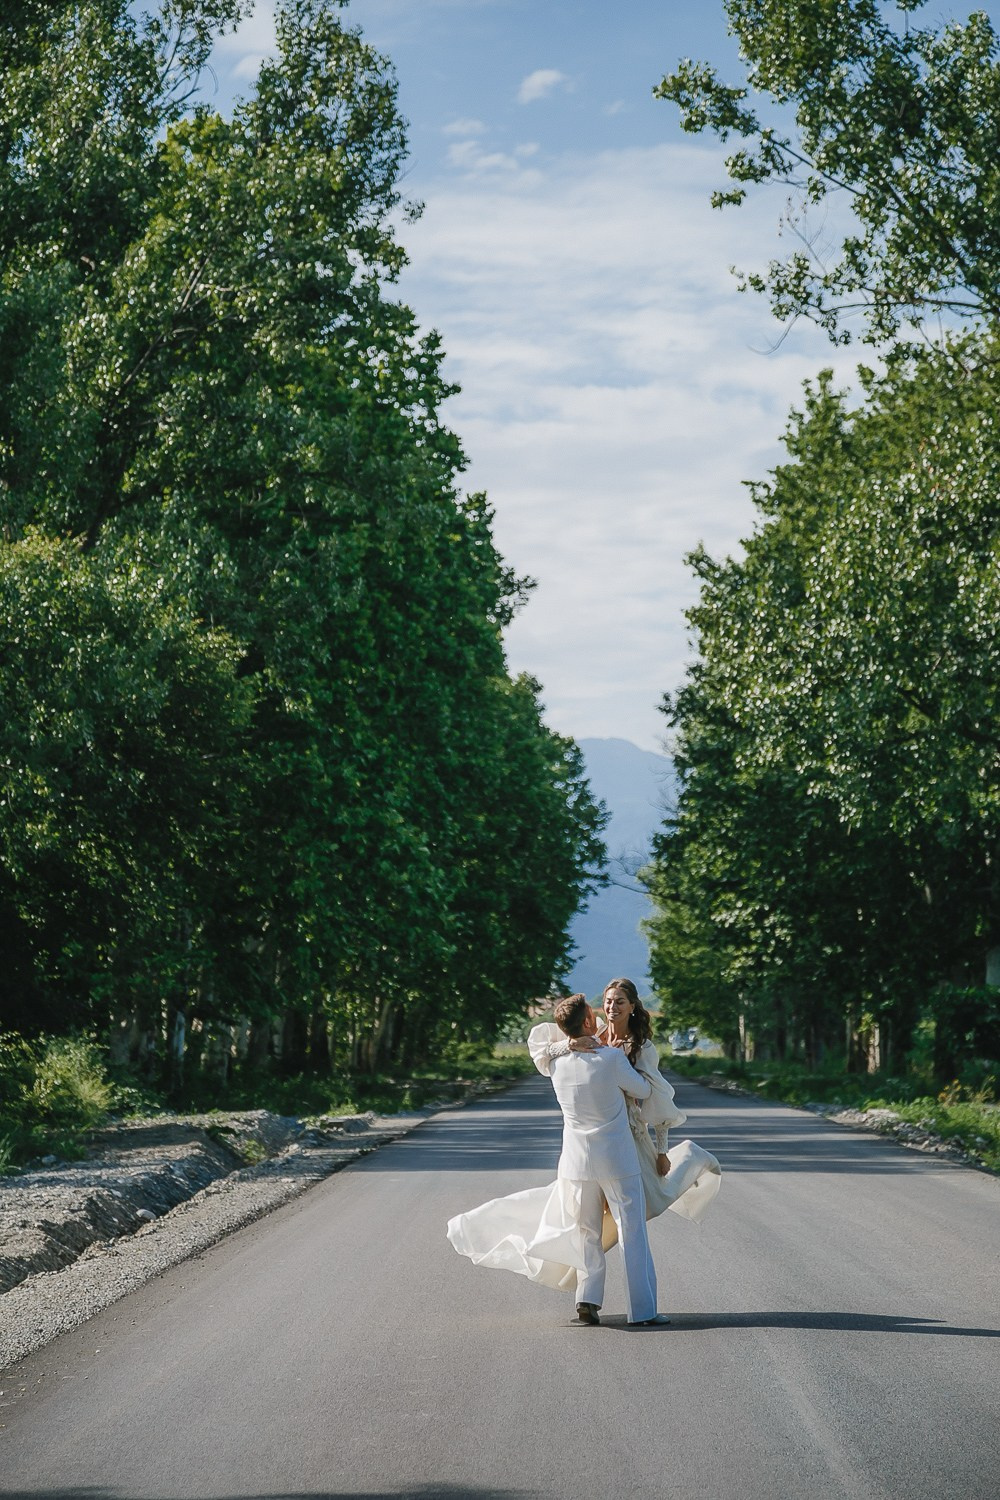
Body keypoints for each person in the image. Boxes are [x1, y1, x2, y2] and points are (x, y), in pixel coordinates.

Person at [448, 993, 666, 1326]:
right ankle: (643, 1310)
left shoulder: (556, 1065)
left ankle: (587, 1300)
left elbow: (542, 1047)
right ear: (589, 1021)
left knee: (587, 1232)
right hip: (617, 1159)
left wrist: (567, 1044)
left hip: (576, 1162)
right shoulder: (611, 1059)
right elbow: (644, 1091)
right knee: (631, 1231)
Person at [529, 977, 708, 1226]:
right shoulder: (594, 1033)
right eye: (608, 1001)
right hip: (592, 1137)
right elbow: (542, 1050)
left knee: (645, 1203)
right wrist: (569, 1044)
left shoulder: (642, 1048)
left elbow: (656, 1095)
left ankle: (692, 1157)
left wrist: (662, 1151)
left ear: (632, 1006)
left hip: (629, 1133)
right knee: (588, 1212)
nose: (612, 1007)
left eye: (620, 1002)